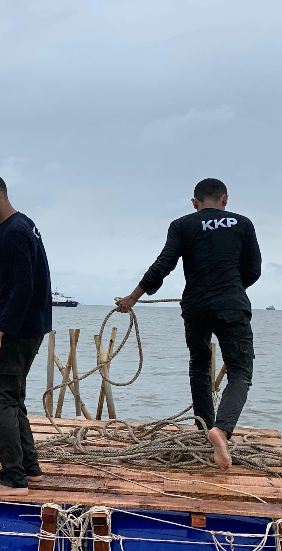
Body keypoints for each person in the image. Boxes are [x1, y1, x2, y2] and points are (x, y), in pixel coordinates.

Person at [116, 178, 261, 470]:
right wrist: (232, 289)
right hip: (232, 304)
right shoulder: (243, 223)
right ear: (225, 200)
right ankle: (221, 429)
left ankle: (204, 431)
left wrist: (133, 298)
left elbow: (163, 264)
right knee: (240, 372)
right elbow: (253, 269)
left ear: (194, 203)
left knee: (199, 365)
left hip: (195, 306)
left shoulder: (183, 224)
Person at [0, 172, 52, 497]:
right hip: (32, 326)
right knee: (13, 398)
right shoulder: (25, 225)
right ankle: (31, 469)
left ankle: (13, 478)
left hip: (16, 330)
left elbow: (22, 288)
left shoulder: (12, 233)